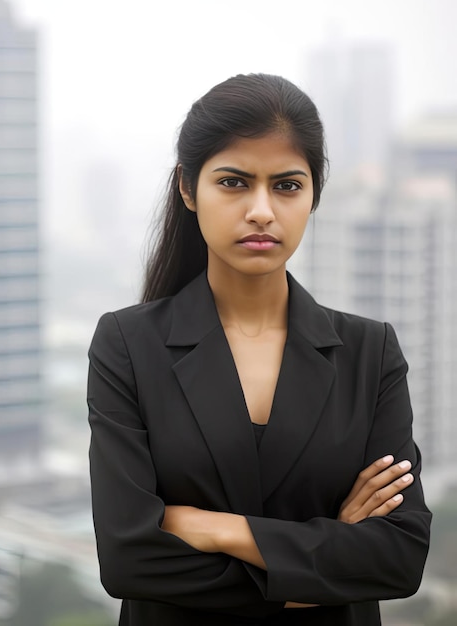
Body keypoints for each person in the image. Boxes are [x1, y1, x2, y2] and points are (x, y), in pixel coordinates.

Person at [86, 73, 431, 626]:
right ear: (186, 187)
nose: (262, 210)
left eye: (287, 185)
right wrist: (328, 558)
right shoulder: (128, 344)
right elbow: (129, 559)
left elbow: (399, 558)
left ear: (314, 193)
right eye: (233, 182)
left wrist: (220, 528)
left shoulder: (371, 353)